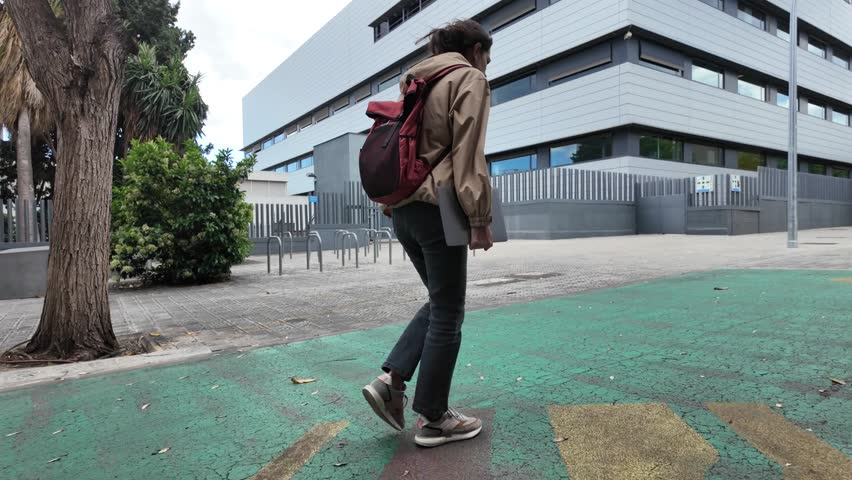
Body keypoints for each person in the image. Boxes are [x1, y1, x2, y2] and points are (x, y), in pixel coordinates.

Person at [362, 19, 494, 448]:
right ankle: (435, 417)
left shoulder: (415, 80)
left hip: (403, 209)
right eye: (487, 55)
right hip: (440, 209)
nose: (488, 65)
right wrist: (479, 218)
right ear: (474, 48)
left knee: (441, 301)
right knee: (450, 310)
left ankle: (392, 380)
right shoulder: (467, 78)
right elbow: (468, 153)